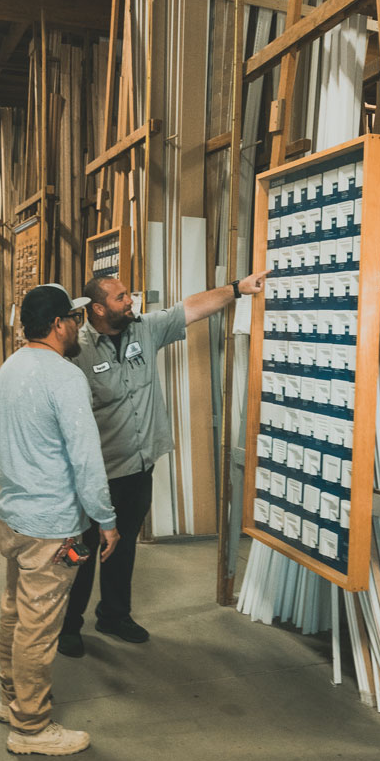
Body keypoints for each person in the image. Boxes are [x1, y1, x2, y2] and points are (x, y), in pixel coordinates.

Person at [57, 270, 268, 658]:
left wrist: (238, 289)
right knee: (85, 550)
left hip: (139, 465)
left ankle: (115, 615)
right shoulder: (78, 350)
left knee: (123, 547)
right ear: (99, 308)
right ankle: (69, 625)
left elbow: (190, 309)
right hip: (98, 472)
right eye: (122, 298)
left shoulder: (144, 331)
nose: (131, 301)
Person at [0, 283, 120, 756]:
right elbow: (86, 461)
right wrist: (105, 519)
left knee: (14, 613)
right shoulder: (65, 378)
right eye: (74, 318)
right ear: (58, 325)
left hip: (14, 517)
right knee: (39, 627)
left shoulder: (11, 367)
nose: (80, 326)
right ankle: (30, 728)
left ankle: (13, 701)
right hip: (51, 524)